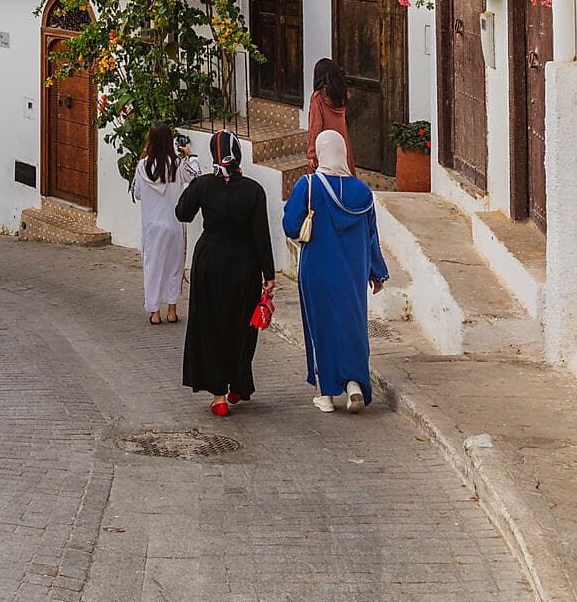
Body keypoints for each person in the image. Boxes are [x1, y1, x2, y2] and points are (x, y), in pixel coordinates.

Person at [285, 129, 389, 414]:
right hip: (353, 271)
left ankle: (326, 395)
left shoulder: (308, 185)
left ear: (321, 153)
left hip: (316, 268)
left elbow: (290, 226)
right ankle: (354, 384)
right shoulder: (363, 192)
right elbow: (371, 235)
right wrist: (377, 272)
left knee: (320, 324)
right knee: (352, 323)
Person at [177, 130, 275, 417]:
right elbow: (261, 234)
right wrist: (269, 274)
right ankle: (238, 384)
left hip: (210, 262)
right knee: (242, 325)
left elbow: (183, 213)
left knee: (211, 324)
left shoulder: (203, 185)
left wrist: (195, 184)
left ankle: (218, 396)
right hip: (244, 264)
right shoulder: (254, 190)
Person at [133, 123, 200, 325]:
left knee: (152, 268)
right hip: (174, 225)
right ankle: (172, 311)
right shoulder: (177, 165)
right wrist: (191, 155)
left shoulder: (142, 166)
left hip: (152, 227)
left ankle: (154, 312)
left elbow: (137, 193)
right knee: (174, 268)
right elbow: (196, 176)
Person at [305, 57, 355, 175]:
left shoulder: (318, 97)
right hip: (341, 141)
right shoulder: (342, 94)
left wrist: (312, 154)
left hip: (325, 143)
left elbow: (315, 126)